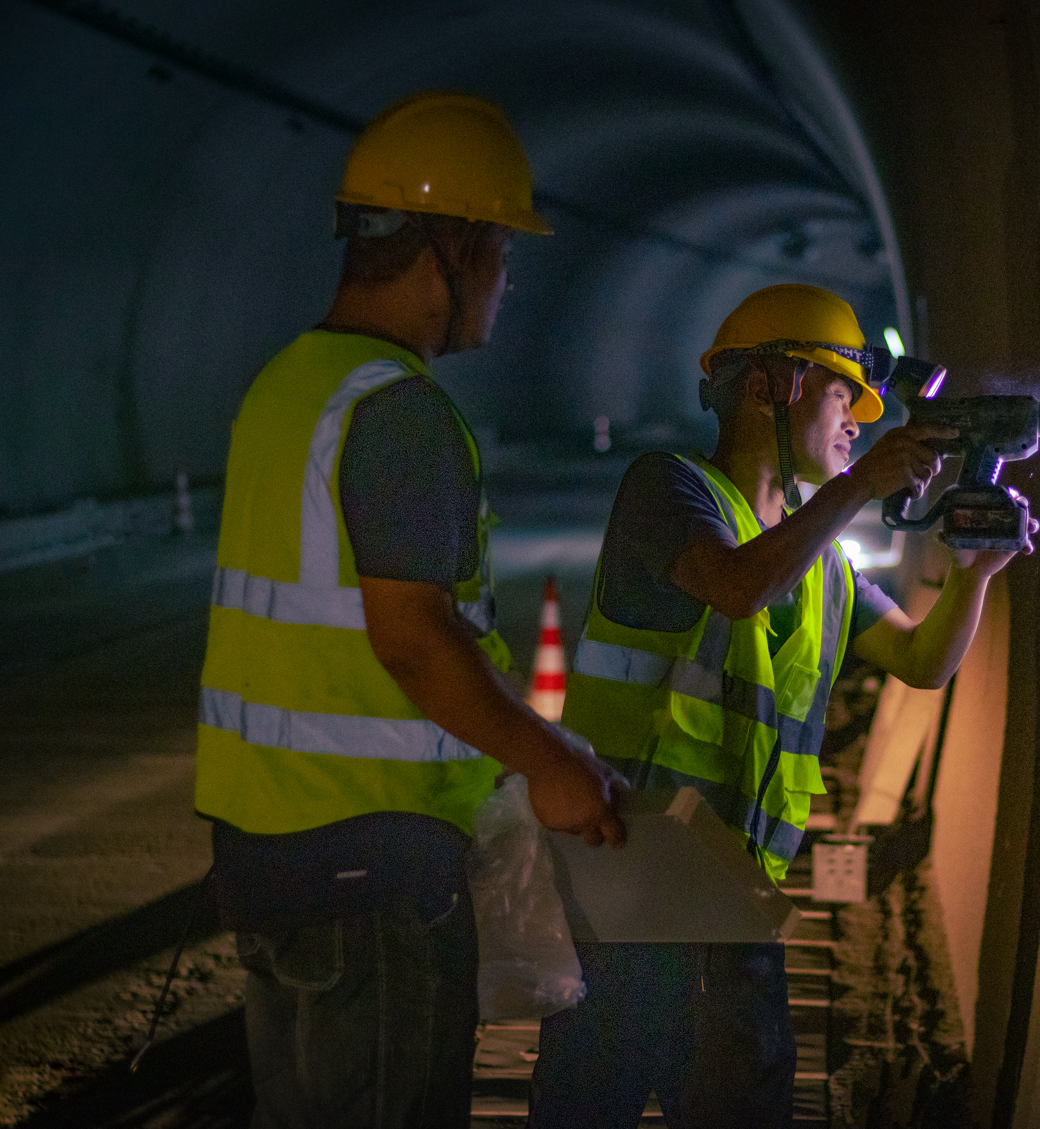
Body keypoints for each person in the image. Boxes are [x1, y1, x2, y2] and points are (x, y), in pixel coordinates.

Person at [194, 92, 629, 1129]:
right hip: (370, 869)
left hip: (268, 846)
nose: (506, 282)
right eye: (503, 254)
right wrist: (550, 762)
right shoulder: (399, 411)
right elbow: (414, 640)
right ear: (454, 244)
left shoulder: (288, 387)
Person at [528, 283, 1016, 1128]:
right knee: (594, 1091)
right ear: (767, 388)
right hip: (634, 868)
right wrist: (862, 484)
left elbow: (919, 661)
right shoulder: (668, 489)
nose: (856, 422)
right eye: (839, 394)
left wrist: (975, 572)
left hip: (735, 883)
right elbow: (733, 585)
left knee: (741, 1092)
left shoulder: (821, 562)